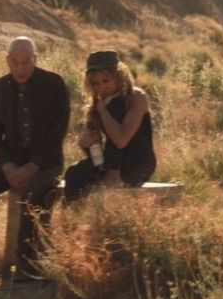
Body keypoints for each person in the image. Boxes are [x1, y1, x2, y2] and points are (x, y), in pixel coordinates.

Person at [0, 36, 70, 280]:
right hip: (11, 161)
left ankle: (26, 262)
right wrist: (7, 166)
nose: (20, 68)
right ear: (7, 61)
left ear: (35, 59)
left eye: (25, 62)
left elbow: (58, 131)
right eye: (15, 63)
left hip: (45, 162)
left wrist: (32, 166)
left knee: (32, 192)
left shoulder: (54, 84)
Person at [63, 50, 155, 202]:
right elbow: (98, 155)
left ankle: (114, 176)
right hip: (113, 161)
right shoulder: (100, 103)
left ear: (118, 77)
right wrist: (86, 145)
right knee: (74, 172)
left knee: (115, 109)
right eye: (96, 83)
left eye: (106, 81)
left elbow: (121, 140)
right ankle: (74, 214)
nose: (102, 87)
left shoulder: (136, 97)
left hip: (138, 163)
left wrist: (102, 110)